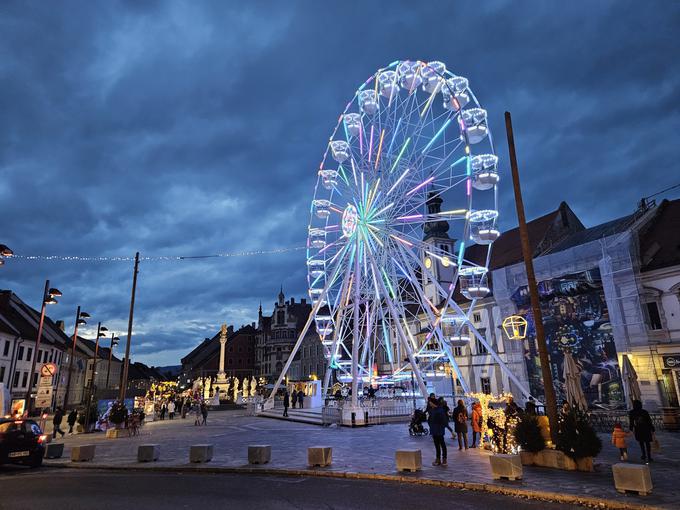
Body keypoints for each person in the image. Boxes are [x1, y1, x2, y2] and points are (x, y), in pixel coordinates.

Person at [427, 399, 448, 466]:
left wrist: (441, 427)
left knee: (442, 444)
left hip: (439, 430)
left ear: (433, 403)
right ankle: (438, 459)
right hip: (434, 430)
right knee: (437, 445)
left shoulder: (440, 410)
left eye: (430, 403)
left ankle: (444, 459)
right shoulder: (433, 410)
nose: (429, 404)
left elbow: (444, 421)